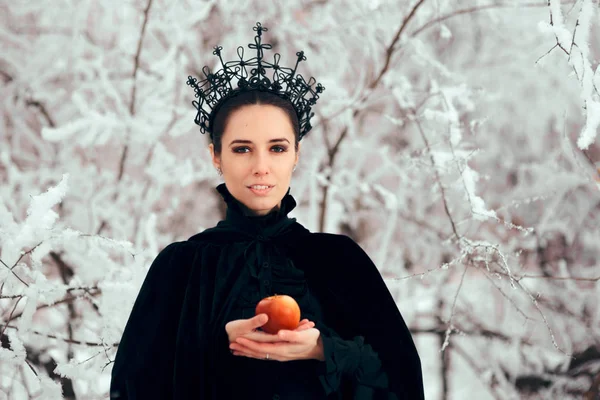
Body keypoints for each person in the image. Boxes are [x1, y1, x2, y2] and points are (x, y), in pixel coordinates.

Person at [109, 22, 424, 400]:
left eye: (277, 148)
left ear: (296, 154)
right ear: (216, 156)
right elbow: (133, 389)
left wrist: (323, 349)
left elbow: (402, 379)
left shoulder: (340, 261)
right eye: (242, 148)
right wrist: (217, 343)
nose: (261, 166)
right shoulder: (180, 269)